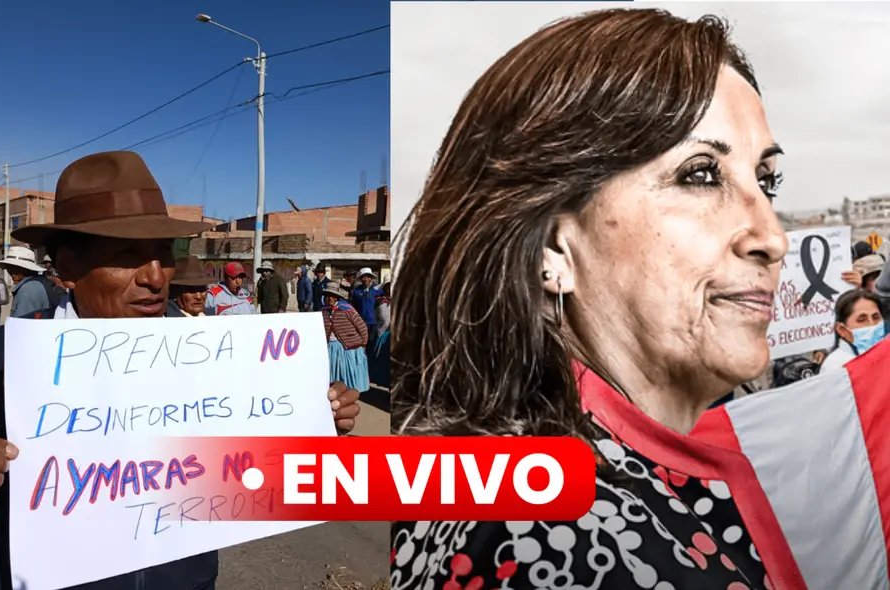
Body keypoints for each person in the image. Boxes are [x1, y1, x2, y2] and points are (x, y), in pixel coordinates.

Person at [391, 9, 789, 589]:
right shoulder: (554, 535)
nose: (772, 237)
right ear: (554, 244)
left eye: (766, 181)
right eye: (701, 175)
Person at [0, 150, 362, 590]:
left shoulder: (215, 355)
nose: (156, 276)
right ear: (67, 268)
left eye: (163, 252)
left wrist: (315, 425)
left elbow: (250, 475)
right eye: (126, 254)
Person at [820, 289, 885, 373]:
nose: (872, 324)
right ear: (842, 330)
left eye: (876, 318)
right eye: (861, 320)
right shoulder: (836, 367)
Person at [321, 283, 369, 393]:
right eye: (327, 295)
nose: (330, 298)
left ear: (337, 297)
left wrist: (363, 343)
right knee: (334, 373)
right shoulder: (324, 311)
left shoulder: (347, 309)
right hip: (331, 348)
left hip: (349, 347)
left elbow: (362, 326)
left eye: (332, 296)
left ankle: (350, 394)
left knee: (348, 372)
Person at [0, 246, 52, 318]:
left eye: (15, 268)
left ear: (26, 268)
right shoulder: (36, 283)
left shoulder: (27, 290)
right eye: (8, 267)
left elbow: (21, 324)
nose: (11, 272)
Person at [350, 267, 382, 346]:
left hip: (374, 323)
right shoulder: (357, 291)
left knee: (373, 345)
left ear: (371, 278)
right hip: (361, 322)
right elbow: (353, 306)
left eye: (367, 277)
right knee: (362, 344)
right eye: (363, 277)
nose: (365, 279)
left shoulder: (378, 290)